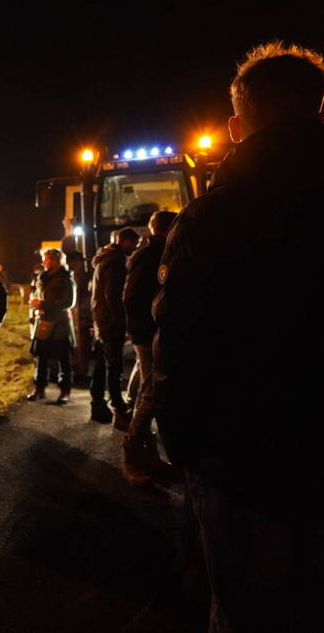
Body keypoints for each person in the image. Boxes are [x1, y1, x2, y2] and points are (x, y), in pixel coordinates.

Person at [153, 42, 324, 632]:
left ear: (236, 122)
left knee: (245, 611)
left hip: (242, 461)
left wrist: (183, 445)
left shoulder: (215, 216)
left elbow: (178, 343)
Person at [120, 210, 177, 487]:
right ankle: (133, 457)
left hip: (157, 334)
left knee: (153, 392)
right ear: (168, 229)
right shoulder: (151, 256)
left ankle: (150, 458)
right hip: (152, 336)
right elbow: (132, 299)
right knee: (150, 393)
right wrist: (147, 331)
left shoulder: (157, 253)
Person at [89, 227, 139, 426]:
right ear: (125, 241)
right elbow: (113, 295)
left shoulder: (104, 258)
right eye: (134, 243)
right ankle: (118, 407)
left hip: (101, 318)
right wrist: (121, 321)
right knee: (114, 365)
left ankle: (97, 403)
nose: (135, 248)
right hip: (110, 321)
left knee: (103, 364)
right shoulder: (116, 260)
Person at [27, 249, 76, 404]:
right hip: (43, 322)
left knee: (63, 359)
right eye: (44, 259)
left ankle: (64, 391)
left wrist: (44, 304)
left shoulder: (66, 279)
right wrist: (34, 303)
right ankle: (39, 388)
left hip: (59, 324)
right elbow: (36, 296)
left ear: (56, 260)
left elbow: (68, 302)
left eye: (47, 259)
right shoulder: (42, 277)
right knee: (40, 358)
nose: (44, 262)